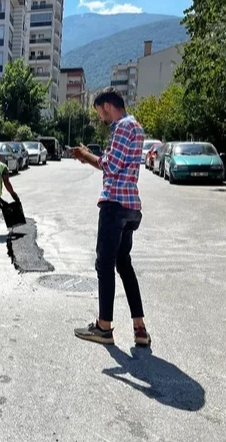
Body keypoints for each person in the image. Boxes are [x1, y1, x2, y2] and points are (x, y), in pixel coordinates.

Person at [69, 87, 151, 347]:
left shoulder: (121, 127)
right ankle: (139, 328)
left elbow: (110, 166)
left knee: (104, 264)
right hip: (130, 207)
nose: (102, 119)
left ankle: (104, 327)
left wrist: (85, 156)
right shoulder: (136, 126)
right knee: (123, 264)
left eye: (100, 113)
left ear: (107, 106)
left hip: (115, 205)